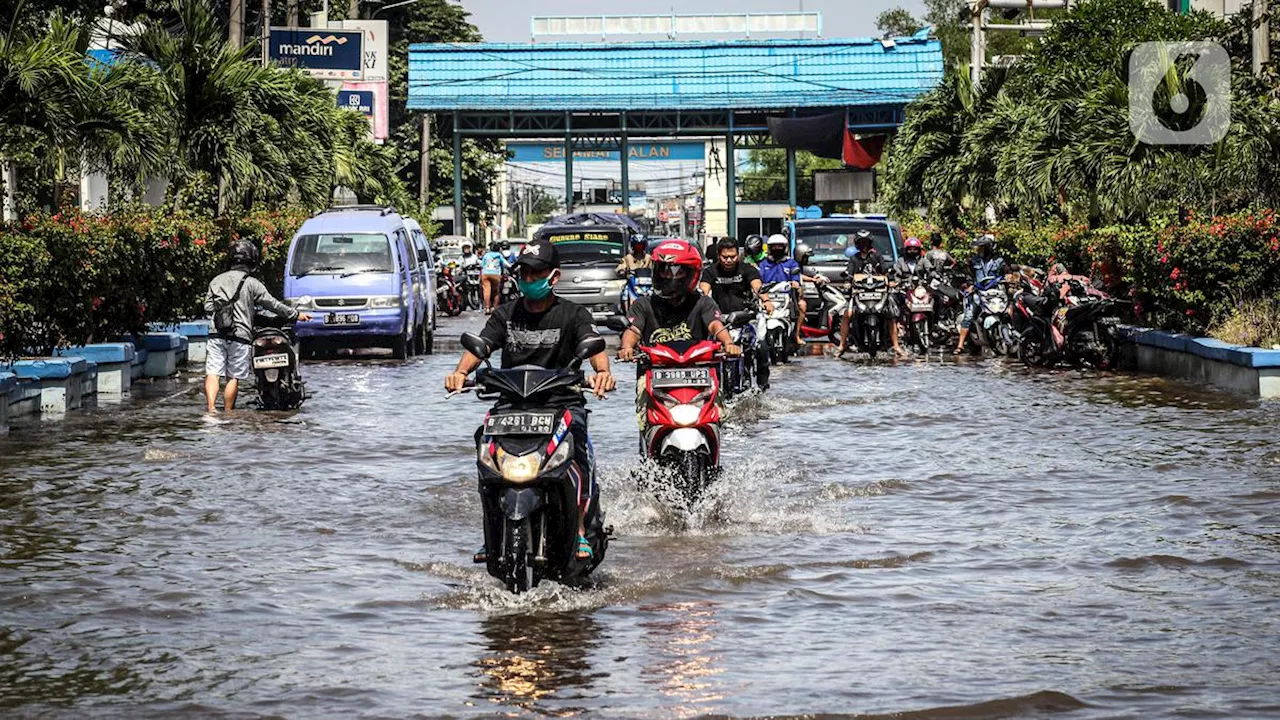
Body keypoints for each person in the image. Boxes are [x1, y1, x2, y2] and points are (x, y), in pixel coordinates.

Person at [444, 238, 615, 561]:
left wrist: (602, 374)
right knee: (484, 448)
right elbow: (481, 346)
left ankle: (578, 529)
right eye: (525, 273)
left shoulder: (573, 314)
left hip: (562, 404)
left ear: (554, 277)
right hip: (511, 406)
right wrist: (459, 373)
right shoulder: (506, 314)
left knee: (577, 448)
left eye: (537, 274)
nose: (529, 280)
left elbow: (595, 346)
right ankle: (492, 531)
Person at [203, 241, 311, 413]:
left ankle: (211, 411)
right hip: (240, 336)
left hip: (217, 334)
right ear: (252, 261)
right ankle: (228, 412)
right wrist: (296, 314)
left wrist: (223, 304)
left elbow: (208, 308)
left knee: (213, 373)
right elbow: (272, 304)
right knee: (233, 377)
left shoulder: (216, 281)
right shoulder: (252, 283)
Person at [618, 240, 741, 359]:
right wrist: (626, 347)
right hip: (654, 369)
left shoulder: (702, 302)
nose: (671, 277)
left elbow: (715, 325)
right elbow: (633, 329)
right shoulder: (643, 304)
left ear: (690, 274)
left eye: (678, 272)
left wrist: (728, 343)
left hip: (698, 368)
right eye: (665, 271)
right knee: (642, 382)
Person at [699, 237, 773, 389]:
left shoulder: (747, 269)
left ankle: (762, 383)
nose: (729, 260)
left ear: (738, 254)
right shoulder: (710, 271)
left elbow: (757, 287)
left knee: (762, 346)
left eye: (732, 256)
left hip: (746, 318)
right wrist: (700, 302)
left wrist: (766, 301)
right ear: (718, 255)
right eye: (725, 257)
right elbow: (703, 290)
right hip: (720, 321)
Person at [836, 230, 905, 357]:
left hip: (878, 293)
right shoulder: (854, 259)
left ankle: (896, 345)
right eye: (861, 242)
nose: (864, 245)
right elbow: (849, 274)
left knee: (891, 315)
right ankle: (842, 344)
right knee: (847, 314)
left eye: (866, 242)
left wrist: (890, 281)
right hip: (859, 293)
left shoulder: (877, 257)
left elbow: (885, 271)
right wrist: (847, 282)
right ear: (857, 244)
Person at [757, 233, 826, 347]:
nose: (777, 249)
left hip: (787, 296)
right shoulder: (764, 263)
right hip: (767, 296)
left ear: (785, 247)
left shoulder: (791, 263)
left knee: (802, 305)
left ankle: (796, 335)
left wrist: (796, 285)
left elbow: (796, 277)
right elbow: (758, 279)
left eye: (780, 246)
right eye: (774, 247)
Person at [953, 233, 1010, 354]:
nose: (980, 249)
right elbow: (969, 275)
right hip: (978, 293)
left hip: (995, 293)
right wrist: (969, 285)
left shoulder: (999, 261)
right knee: (969, 315)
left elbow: (1007, 273)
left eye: (983, 247)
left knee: (1007, 313)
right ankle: (960, 345)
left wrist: (1009, 277)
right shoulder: (974, 261)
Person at [479, 241, 508, 314]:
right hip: (495, 274)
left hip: (485, 274)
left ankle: (487, 308)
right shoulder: (499, 255)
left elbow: (482, 265)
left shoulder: (486, 255)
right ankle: (495, 307)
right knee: (496, 292)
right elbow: (504, 264)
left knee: (486, 291)